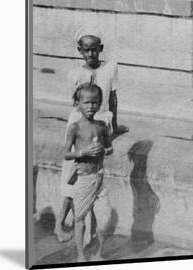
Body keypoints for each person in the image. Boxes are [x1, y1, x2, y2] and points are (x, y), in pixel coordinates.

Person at [55, 28, 126, 242]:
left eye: (94, 50)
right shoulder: (75, 74)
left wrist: (113, 126)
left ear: (100, 49)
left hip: (101, 121)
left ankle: (90, 232)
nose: (91, 54)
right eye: (86, 50)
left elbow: (112, 99)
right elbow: (75, 102)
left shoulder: (110, 69)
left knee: (93, 175)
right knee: (72, 175)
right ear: (80, 51)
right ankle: (60, 224)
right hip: (80, 123)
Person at [64, 83, 113, 262]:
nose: (91, 106)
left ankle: (99, 253)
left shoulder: (101, 126)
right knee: (80, 217)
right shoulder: (75, 127)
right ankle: (80, 256)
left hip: (99, 176)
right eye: (86, 102)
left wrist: (105, 150)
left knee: (105, 218)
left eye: (95, 102)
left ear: (100, 104)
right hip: (84, 178)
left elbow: (109, 147)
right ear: (78, 103)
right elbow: (65, 153)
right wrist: (83, 153)